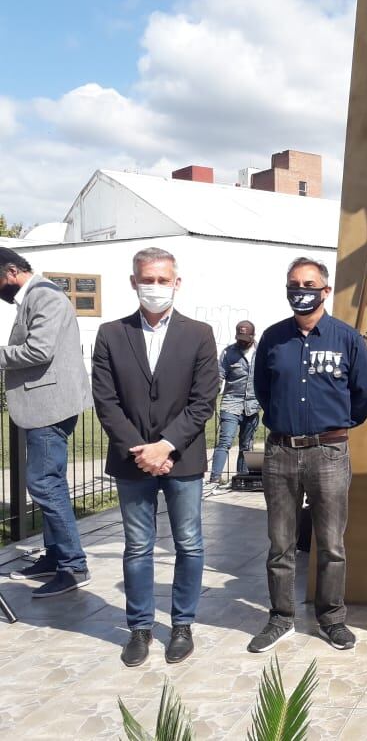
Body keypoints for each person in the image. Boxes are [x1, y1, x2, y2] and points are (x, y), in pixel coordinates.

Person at [92, 248, 219, 667]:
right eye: (148, 278)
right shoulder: (111, 334)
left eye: (164, 280)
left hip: (181, 458)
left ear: (177, 283)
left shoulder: (198, 333)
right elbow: (106, 401)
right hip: (133, 461)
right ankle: (140, 629)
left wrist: (165, 446)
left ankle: (181, 625)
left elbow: (204, 400)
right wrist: (141, 450)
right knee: (138, 546)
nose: (156, 286)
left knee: (189, 543)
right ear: (133, 281)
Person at [247, 257, 367, 654]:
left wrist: (334, 427)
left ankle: (332, 618)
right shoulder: (272, 338)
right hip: (281, 452)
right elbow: (264, 390)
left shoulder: (346, 338)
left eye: (308, 283)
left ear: (325, 290)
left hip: (329, 453)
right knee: (280, 543)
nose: (300, 290)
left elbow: (363, 393)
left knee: (331, 543)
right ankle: (281, 617)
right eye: (293, 284)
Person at [0, 248, 93, 598]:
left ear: (11, 271)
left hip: (50, 407)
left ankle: (73, 565)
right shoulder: (35, 297)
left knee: (43, 482)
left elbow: (39, 351)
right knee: (51, 481)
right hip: (46, 404)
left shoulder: (45, 297)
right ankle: (56, 556)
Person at [208, 321, 260, 484]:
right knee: (225, 441)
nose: (242, 341)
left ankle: (242, 478)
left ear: (253, 336)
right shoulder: (228, 352)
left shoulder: (262, 352)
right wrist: (211, 395)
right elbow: (219, 376)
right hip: (231, 404)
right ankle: (215, 478)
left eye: (246, 338)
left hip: (252, 405)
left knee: (246, 445)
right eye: (239, 337)